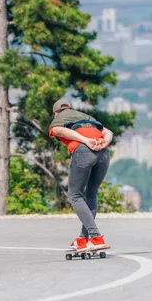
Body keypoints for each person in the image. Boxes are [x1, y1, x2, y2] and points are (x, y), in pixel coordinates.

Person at [49, 99, 113, 251]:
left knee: (75, 195)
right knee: (91, 194)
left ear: (55, 113)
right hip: (103, 153)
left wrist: (85, 140)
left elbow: (60, 131)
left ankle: (96, 237)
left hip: (84, 151)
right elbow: (108, 132)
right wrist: (105, 142)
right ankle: (83, 239)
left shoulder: (58, 119)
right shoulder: (85, 116)